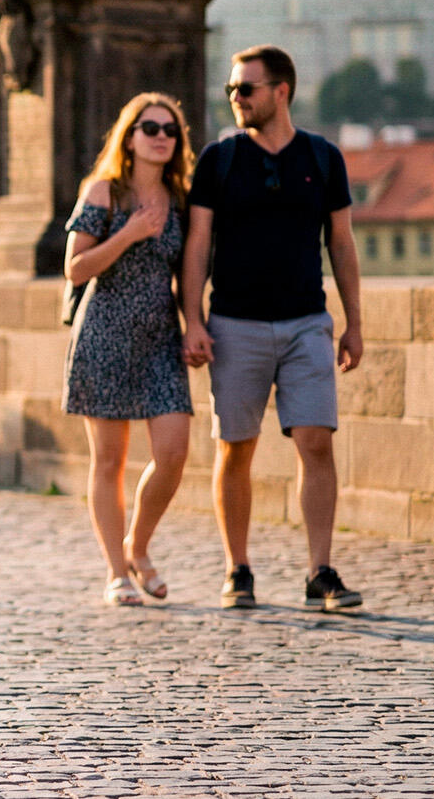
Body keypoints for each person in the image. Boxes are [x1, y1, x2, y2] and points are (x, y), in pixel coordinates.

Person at [182, 45, 365, 613]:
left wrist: (354, 322)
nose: (236, 98)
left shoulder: (323, 157)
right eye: (232, 90)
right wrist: (193, 318)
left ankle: (320, 572)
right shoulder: (219, 160)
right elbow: (197, 246)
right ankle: (238, 569)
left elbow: (341, 242)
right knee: (236, 447)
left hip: (307, 321)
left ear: (281, 91)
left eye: (247, 89)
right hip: (235, 323)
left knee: (316, 440)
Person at [62, 93, 195, 607]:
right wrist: (133, 232)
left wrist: (193, 327)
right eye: (150, 128)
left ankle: (137, 546)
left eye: (170, 130)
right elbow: (75, 268)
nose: (161, 136)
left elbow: (188, 273)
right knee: (109, 460)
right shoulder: (105, 194)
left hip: (160, 338)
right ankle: (117, 573)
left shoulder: (180, 198)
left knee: (173, 452)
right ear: (130, 136)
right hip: (105, 335)